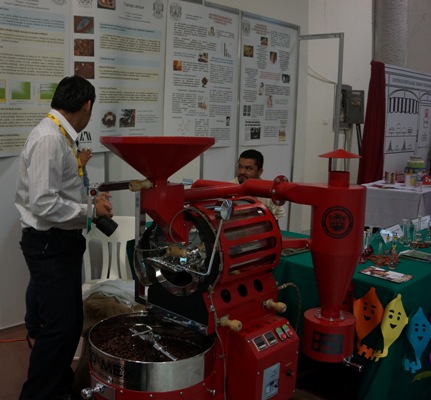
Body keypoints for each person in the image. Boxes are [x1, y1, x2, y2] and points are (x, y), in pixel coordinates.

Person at [15, 75, 113, 400]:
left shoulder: (60, 135)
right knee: (58, 329)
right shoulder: (49, 139)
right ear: (86, 106)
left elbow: (61, 191)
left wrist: (89, 203)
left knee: (70, 324)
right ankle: (39, 394)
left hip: (63, 242)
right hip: (50, 244)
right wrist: (89, 213)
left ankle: (59, 387)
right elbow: (43, 203)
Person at [232, 149, 286, 221]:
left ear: (260, 172)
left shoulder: (269, 191)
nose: (242, 172)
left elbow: (276, 218)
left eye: (248, 168)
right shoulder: (229, 188)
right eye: (240, 167)